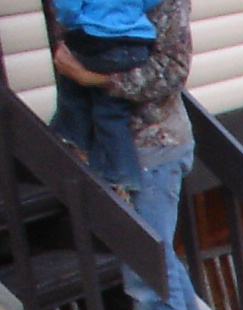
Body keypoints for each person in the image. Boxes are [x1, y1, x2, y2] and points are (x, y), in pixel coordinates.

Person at [52, 0, 239, 310]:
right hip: (117, 154)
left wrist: (92, 77)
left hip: (152, 152)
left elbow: (172, 69)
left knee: (146, 274)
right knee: (160, 267)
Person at [48, 0, 160, 188]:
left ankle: (73, 141)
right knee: (111, 112)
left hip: (97, 39)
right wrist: (131, 14)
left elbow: (68, 6)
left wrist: (72, 21)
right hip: (138, 44)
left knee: (71, 83)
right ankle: (124, 175)